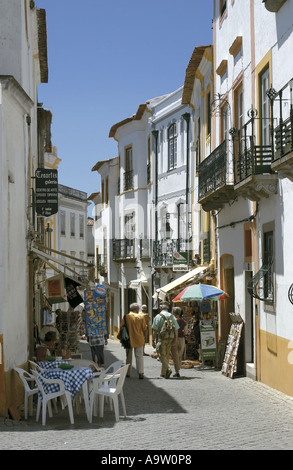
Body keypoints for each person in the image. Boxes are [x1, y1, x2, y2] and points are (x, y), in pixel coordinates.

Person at [152, 302, 179, 379]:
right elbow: (176, 329)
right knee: (166, 355)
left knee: (160, 354)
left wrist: (153, 340)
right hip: (170, 338)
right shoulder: (172, 316)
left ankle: (168, 368)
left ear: (160, 308)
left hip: (161, 338)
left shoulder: (158, 316)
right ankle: (163, 373)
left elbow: (155, 330)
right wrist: (175, 340)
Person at [121, 303, 147, 379]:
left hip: (128, 339)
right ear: (136, 309)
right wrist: (145, 337)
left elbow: (122, 327)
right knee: (139, 356)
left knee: (128, 357)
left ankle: (128, 373)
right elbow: (145, 328)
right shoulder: (141, 317)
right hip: (139, 339)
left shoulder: (126, 317)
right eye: (138, 308)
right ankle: (141, 372)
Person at [170, 307, 187, 377]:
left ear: (173, 313)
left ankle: (177, 371)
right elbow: (186, 332)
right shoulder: (184, 322)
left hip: (174, 339)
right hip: (182, 339)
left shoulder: (172, 321)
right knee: (179, 355)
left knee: (175, 355)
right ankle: (178, 369)